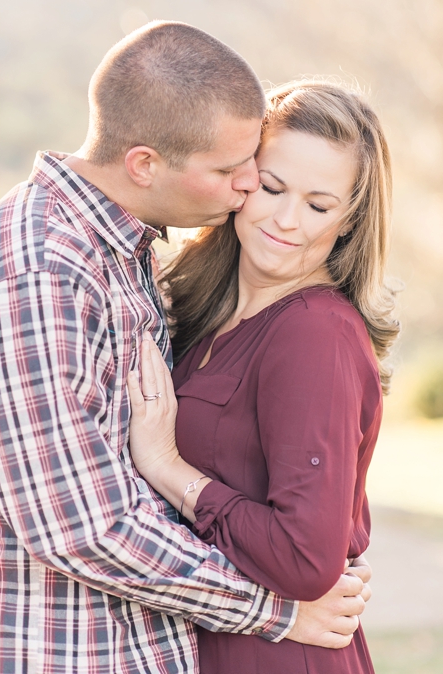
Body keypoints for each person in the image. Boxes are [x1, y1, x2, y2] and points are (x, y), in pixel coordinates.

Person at [0, 21, 370, 674]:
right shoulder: (47, 268)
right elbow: (81, 527)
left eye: (315, 203)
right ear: (145, 164)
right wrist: (276, 611)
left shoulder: (127, 251)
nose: (248, 188)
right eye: (234, 171)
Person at [127, 81, 397, 674]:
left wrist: (169, 468)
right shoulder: (203, 316)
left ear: (350, 221)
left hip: (278, 654)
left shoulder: (314, 333)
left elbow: (305, 558)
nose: (285, 219)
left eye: (319, 205)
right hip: (214, 637)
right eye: (271, 188)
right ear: (239, 180)